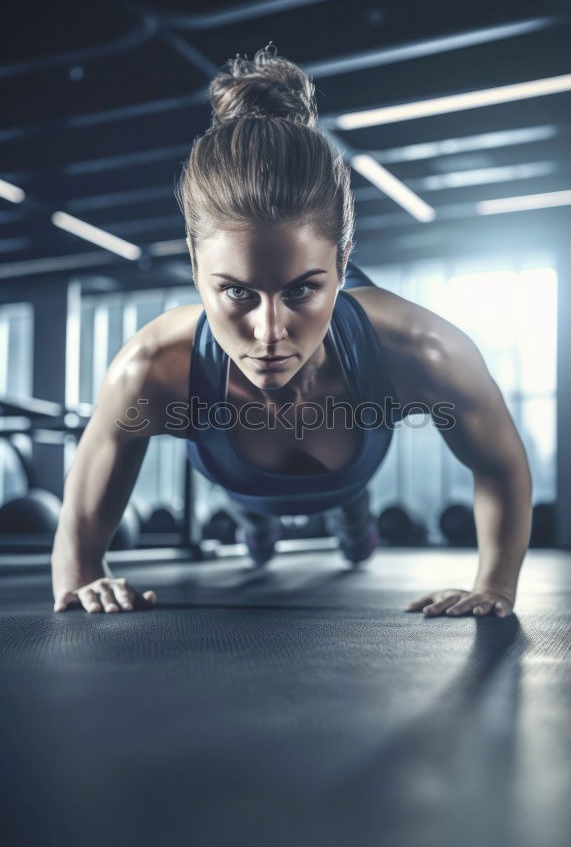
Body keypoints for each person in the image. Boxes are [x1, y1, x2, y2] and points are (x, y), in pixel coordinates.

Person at [51, 44, 532, 619]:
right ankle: (260, 526)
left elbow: (500, 464)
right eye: (237, 293)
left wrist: (495, 586)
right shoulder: (152, 368)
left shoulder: (422, 350)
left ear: (345, 263)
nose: (270, 331)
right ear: (194, 265)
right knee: (252, 514)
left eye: (302, 289)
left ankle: (354, 521)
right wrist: (85, 577)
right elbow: (77, 548)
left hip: (352, 472)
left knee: (355, 528)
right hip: (238, 482)